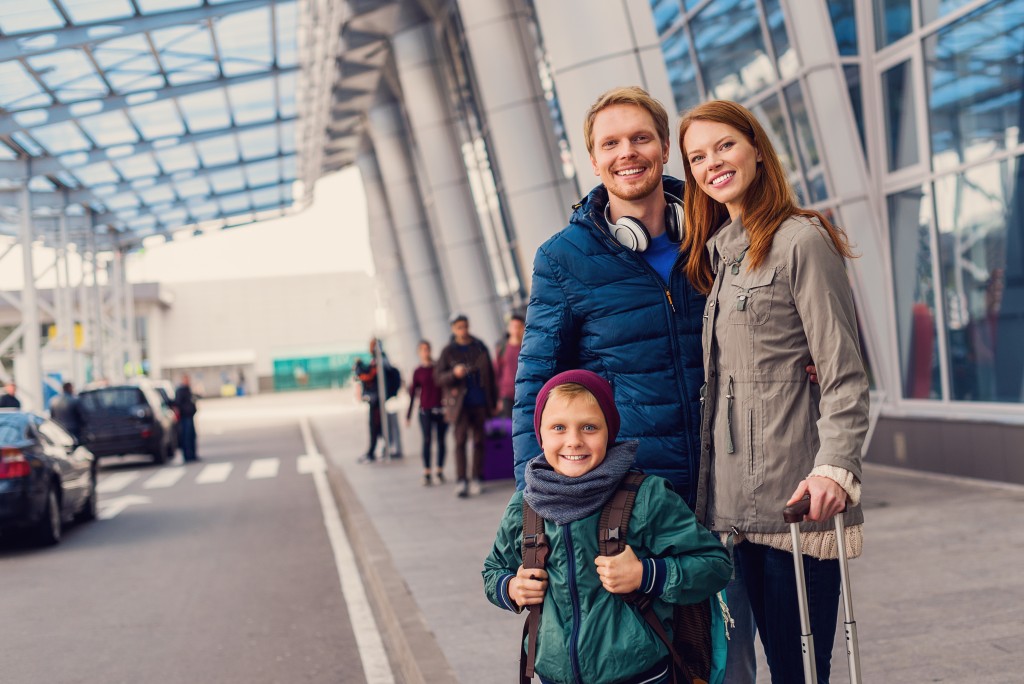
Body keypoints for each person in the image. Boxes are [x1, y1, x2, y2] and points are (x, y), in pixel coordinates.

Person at [513, 86, 764, 682]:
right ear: (594, 161)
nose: (628, 152)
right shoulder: (564, 258)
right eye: (611, 143)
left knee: (734, 662)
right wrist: (533, 507)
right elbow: (536, 382)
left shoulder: (718, 231)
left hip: (731, 484)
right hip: (634, 504)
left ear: (664, 150)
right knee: (648, 660)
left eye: (641, 138)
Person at [680, 99, 870, 683]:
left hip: (793, 508)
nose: (713, 163)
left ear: (756, 149)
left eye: (725, 146)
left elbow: (844, 373)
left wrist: (834, 468)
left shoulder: (800, 240)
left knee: (799, 671)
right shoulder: (720, 259)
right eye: (697, 158)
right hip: (730, 515)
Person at [483, 370, 732, 684]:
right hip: (551, 674)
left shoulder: (647, 496)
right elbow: (493, 569)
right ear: (541, 435)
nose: (574, 440)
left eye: (589, 427)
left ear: (609, 432)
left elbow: (715, 566)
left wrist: (645, 575)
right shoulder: (525, 504)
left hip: (641, 674)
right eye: (558, 427)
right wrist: (511, 587)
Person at [435, 314, 496, 498]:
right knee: (460, 442)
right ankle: (461, 480)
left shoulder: (479, 346)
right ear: (454, 329)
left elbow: (491, 376)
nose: (463, 330)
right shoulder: (448, 351)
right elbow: (438, 377)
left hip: (479, 402)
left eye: (465, 326)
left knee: (479, 441)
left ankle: (477, 477)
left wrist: (493, 401)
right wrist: (454, 374)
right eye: (459, 327)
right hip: (459, 405)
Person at [406, 340, 447, 486]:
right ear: (419, 352)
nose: (426, 352)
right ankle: (427, 472)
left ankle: (440, 471)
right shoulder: (418, 371)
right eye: (422, 349)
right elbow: (412, 393)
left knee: (441, 440)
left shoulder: (438, 368)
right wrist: (408, 415)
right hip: (425, 411)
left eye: (427, 349)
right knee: (427, 439)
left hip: (441, 409)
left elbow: (445, 386)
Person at [493, 314, 525, 418]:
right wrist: (498, 398)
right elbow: (497, 373)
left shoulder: (527, 348)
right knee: (512, 427)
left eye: (519, 327)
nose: (516, 330)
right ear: (509, 328)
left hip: (525, 392)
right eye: (513, 326)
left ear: (523, 328)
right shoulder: (502, 348)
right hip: (507, 394)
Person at [173, 375, 199, 463]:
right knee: (186, 437)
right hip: (185, 417)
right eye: (187, 379)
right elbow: (178, 403)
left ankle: (192, 455)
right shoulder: (181, 390)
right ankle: (188, 456)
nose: (188, 381)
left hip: (190, 416)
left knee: (192, 436)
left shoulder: (188, 389)